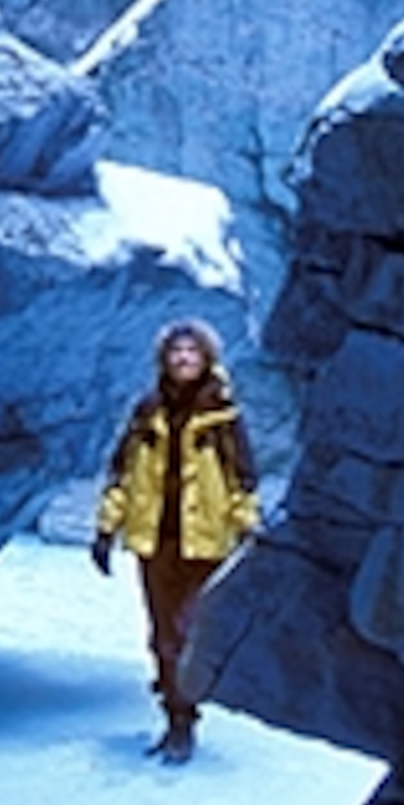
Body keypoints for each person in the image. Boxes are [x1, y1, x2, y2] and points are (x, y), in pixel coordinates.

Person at [91, 316, 260, 761]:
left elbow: (243, 478)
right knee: (163, 635)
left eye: (192, 352)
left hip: (205, 543)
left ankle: (185, 714)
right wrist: (107, 528)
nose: (183, 359)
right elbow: (123, 473)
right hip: (156, 541)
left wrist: (246, 529)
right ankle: (176, 718)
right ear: (163, 360)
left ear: (207, 359)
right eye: (176, 352)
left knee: (186, 632)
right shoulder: (148, 411)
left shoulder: (222, 415)